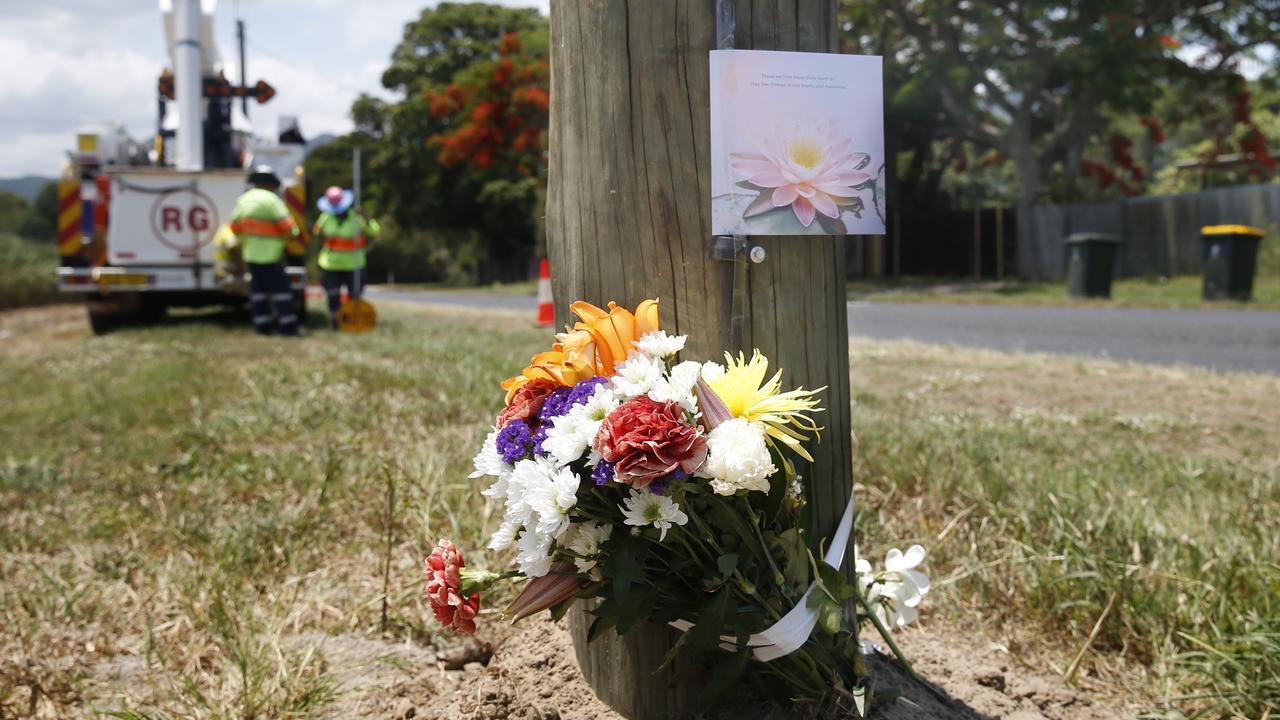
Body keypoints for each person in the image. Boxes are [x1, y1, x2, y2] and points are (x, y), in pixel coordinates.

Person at [229, 166, 300, 336]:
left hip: (252, 256)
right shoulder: (272, 200)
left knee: (258, 293)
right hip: (272, 256)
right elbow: (290, 228)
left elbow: (234, 227)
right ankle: (287, 327)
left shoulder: (243, 200)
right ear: (271, 184)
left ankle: (262, 327)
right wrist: (287, 239)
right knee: (281, 293)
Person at [312, 185, 379, 329]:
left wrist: (367, 219)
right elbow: (317, 233)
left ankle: (352, 323)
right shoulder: (325, 217)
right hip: (331, 264)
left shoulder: (356, 217)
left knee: (354, 296)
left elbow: (374, 231)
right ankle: (336, 324)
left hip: (354, 265)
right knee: (333, 297)